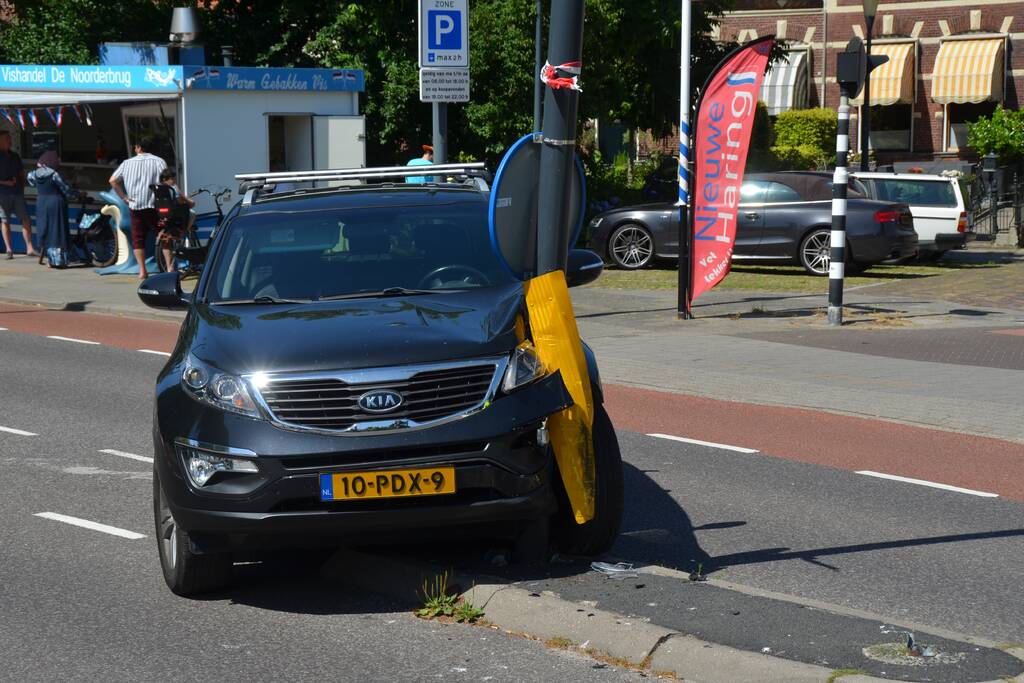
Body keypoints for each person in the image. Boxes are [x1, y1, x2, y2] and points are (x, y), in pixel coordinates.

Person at [109, 136, 167, 279]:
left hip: (136, 206)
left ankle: (142, 271)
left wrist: (124, 197)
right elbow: (167, 181)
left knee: (138, 239)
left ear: (138, 148)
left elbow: (113, 181)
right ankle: (170, 267)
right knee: (165, 235)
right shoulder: (159, 161)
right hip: (155, 205)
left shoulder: (127, 163)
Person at [27, 151, 78, 268]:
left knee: (45, 230)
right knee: (57, 230)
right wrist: (76, 194)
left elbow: (31, 182)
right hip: (56, 203)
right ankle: (59, 261)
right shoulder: (54, 174)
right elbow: (65, 189)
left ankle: (50, 260)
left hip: (41, 203)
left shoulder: (33, 174)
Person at [0, 130, 37, 259]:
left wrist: (22, 188)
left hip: (17, 193)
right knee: (5, 221)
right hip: (2, 194)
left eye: (9, 138)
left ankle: (30, 247)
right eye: (6, 139)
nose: (10, 141)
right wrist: (6, 183)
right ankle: (9, 250)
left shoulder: (15, 156)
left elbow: (21, 174)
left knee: (25, 219)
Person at [155, 167, 195, 272]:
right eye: (172, 178)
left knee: (165, 242)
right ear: (165, 179)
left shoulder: (157, 188)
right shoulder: (173, 188)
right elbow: (184, 202)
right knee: (193, 214)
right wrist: (189, 201)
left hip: (163, 215)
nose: (174, 180)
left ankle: (169, 267)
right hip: (177, 215)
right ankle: (184, 230)